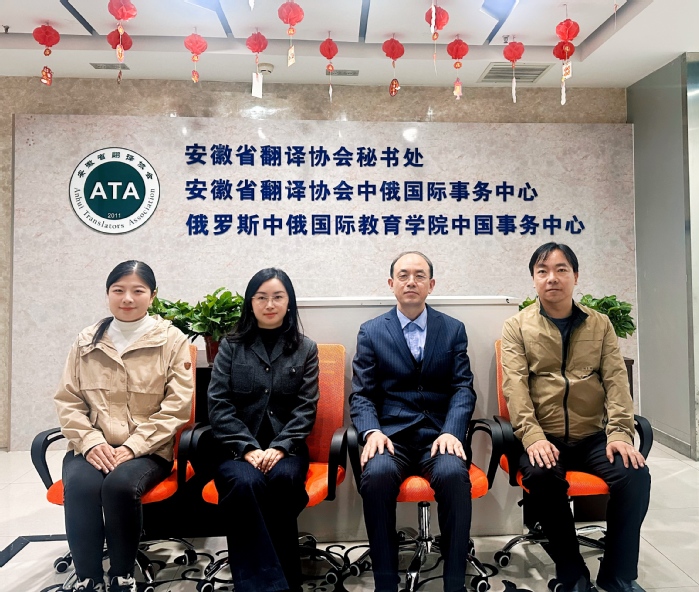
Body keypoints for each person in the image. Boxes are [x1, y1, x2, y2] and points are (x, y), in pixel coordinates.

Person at [501, 242, 651, 592]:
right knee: (541, 475)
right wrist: (533, 437)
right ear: (534, 279)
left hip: (592, 436)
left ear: (576, 276)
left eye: (561, 270)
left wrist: (620, 433)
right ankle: (572, 574)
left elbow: (616, 382)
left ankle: (617, 574)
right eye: (542, 271)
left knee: (635, 476)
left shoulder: (600, 324)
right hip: (544, 436)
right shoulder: (517, 326)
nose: (552, 278)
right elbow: (515, 387)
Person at [54, 261, 194, 592]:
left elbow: (177, 406)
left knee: (119, 487)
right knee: (82, 487)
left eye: (137, 291)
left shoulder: (171, 341)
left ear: (153, 296)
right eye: (118, 290)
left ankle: (122, 576)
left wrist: (133, 446)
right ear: (108, 294)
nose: (127, 298)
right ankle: (88, 578)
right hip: (92, 447)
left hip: (148, 450)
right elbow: (68, 400)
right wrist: (90, 442)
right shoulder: (86, 340)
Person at [349, 251, 477, 592]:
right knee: (376, 476)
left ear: (431, 285)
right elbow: (361, 394)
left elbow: (463, 388)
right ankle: (385, 584)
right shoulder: (371, 331)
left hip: (438, 435)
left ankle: (455, 584)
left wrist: (452, 431)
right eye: (403, 275)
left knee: (453, 475)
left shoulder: (452, 329)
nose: (411, 282)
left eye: (419, 275)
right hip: (391, 436)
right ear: (391, 284)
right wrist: (372, 432)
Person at [207, 268, 319, 592]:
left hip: (287, 449)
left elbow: (306, 408)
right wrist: (248, 447)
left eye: (278, 297)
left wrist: (281, 446)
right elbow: (218, 405)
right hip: (236, 449)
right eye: (262, 297)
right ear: (251, 302)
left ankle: (259, 585)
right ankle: (284, 585)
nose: (270, 304)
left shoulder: (306, 348)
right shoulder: (230, 346)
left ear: (289, 302)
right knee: (246, 483)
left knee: (283, 480)